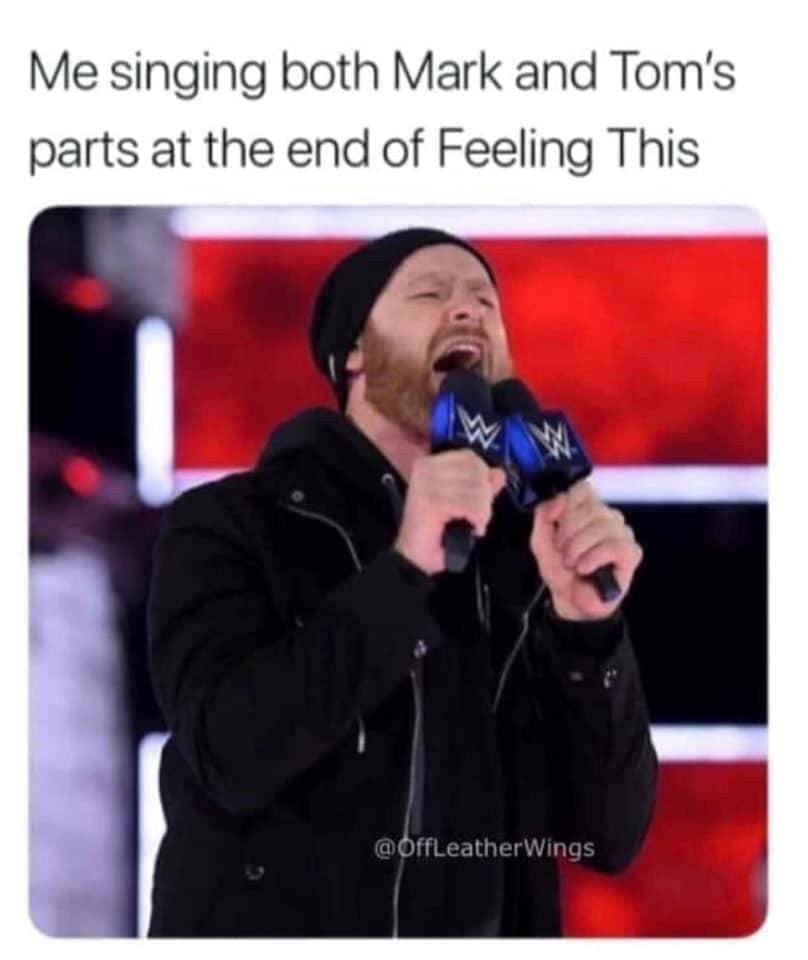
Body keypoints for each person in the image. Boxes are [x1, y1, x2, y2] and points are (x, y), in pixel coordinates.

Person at [147, 227, 657, 937]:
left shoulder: (529, 557)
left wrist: (589, 634)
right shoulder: (234, 522)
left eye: (485, 300)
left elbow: (609, 836)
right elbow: (228, 756)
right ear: (353, 351)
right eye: (430, 294)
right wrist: (406, 571)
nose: (468, 309)